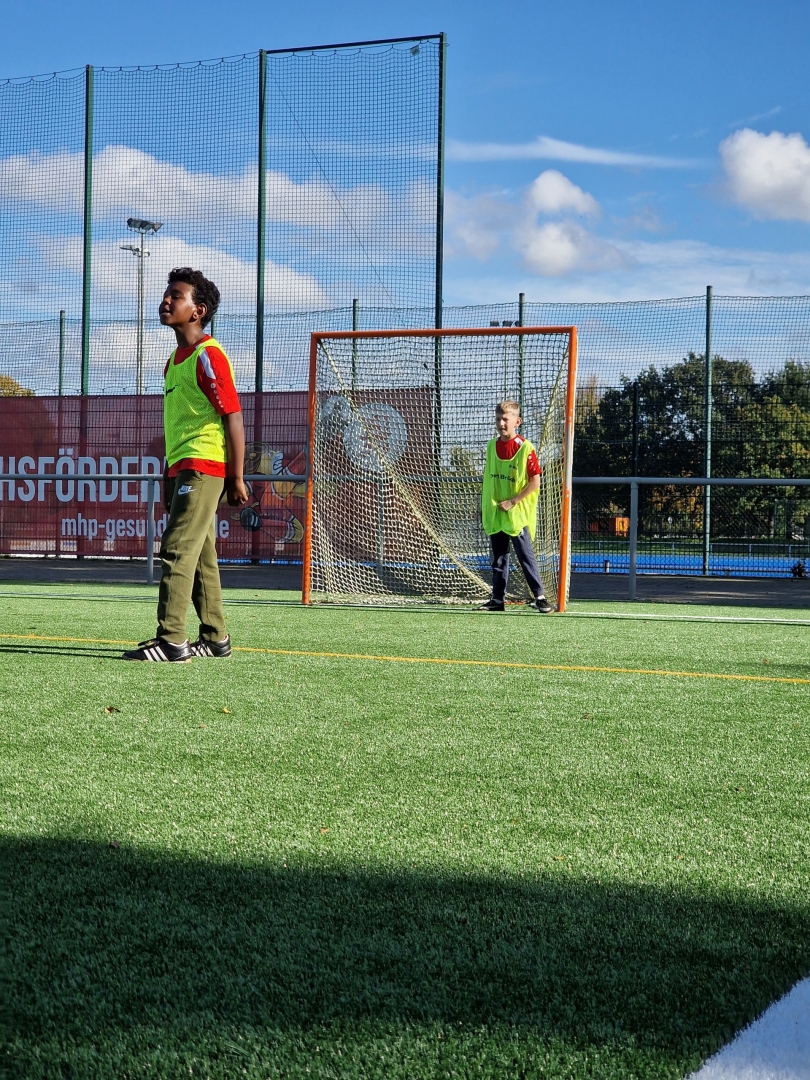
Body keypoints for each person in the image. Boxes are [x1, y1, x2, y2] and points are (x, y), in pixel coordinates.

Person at [124, 268, 249, 662]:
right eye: (166, 294)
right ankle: (215, 638)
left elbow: (233, 417)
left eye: (175, 296)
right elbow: (178, 424)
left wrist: (236, 477)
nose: (165, 300)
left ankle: (172, 641)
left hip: (205, 466)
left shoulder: (208, 355)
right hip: (183, 468)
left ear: (198, 311)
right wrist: (169, 472)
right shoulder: (173, 363)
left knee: (177, 549)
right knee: (200, 556)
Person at [481, 399, 553, 613]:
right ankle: (497, 600)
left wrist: (512, 501)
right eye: (498, 419)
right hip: (497, 511)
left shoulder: (525, 447)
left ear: (517, 421)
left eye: (505, 419)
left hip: (516, 513)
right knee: (499, 558)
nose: (501, 423)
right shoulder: (491, 446)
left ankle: (540, 597)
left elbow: (535, 482)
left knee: (525, 555)